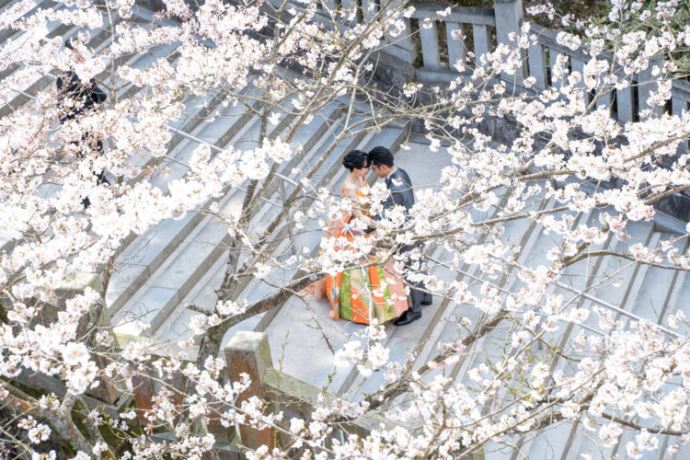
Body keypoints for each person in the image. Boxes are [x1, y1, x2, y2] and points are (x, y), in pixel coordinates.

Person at [313, 150, 409, 325]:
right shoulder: (348, 187)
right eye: (365, 167)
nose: (368, 170)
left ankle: (383, 305)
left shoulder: (361, 179)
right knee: (359, 268)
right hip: (358, 227)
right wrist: (379, 224)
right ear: (356, 169)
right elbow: (358, 215)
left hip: (369, 221)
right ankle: (361, 309)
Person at [368, 146, 432, 326]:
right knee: (418, 263)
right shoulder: (401, 173)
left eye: (374, 168)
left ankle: (415, 310)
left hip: (405, 233)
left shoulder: (394, 190)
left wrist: (364, 225)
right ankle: (426, 296)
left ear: (382, 167)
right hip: (415, 226)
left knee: (409, 270)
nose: (373, 171)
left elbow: (384, 216)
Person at [57, 38, 109, 207]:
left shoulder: (83, 71)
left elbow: (95, 93)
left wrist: (98, 96)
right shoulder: (67, 77)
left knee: (95, 155)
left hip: (89, 123)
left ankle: (99, 183)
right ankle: (86, 196)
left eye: (81, 50)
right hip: (78, 126)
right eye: (76, 51)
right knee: (86, 160)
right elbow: (69, 106)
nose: (80, 54)